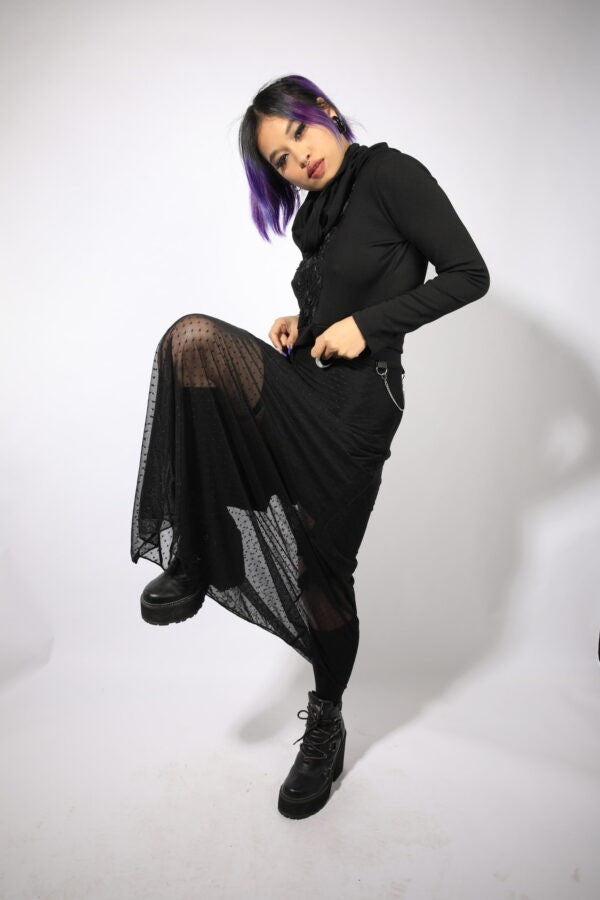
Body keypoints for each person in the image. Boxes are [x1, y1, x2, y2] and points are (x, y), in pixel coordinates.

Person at [130, 73, 491, 819]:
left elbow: (470, 274)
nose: (299, 160)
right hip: (309, 385)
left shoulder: (391, 174)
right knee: (193, 344)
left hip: (360, 409)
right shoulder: (314, 217)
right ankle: (200, 549)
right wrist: (304, 320)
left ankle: (325, 721)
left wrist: (369, 326)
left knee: (322, 572)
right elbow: (344, 292)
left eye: (298, 134)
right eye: (282, 161)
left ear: (324, 111)